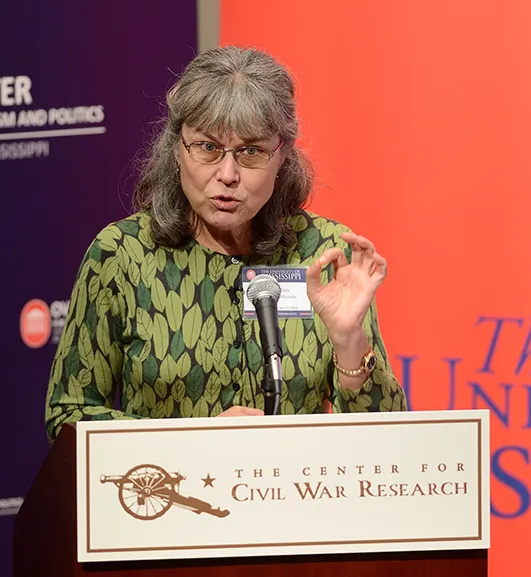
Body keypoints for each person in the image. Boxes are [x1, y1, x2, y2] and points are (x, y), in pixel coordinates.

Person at [45, 46, 407, 442]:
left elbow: (386, 440)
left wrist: (349, 340)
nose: (228, 174)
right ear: (177, 148)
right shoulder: (122, 254)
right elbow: (68, 416)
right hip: (169, 496)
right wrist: (200, 439)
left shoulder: (324, 254)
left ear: (281, 156)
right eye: (208, 147)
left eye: (251, 151)